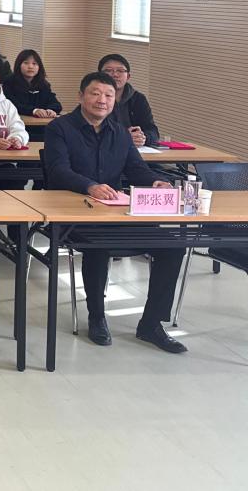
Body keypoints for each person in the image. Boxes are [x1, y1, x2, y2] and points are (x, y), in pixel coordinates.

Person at [44, 72, 186, 353]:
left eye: (108, 95)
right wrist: (90, 186)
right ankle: (97, 316)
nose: (102, 100)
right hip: (73, 213)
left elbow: (136, 169)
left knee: (173, 244)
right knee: (99, 244)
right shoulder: (60, 128)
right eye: (95, 93)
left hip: (114, 211)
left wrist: (155, 181)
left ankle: (151, 324)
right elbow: (58, 170)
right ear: (81, 96)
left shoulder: (119, 132)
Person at [98, 54, 159, 147]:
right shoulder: (93, 99)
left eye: (120, 71)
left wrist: (142, 137)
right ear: (99, 75)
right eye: (109, 70)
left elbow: (153, 132)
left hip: (135, 151)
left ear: (128, 76)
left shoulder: (138, 99)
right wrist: (123, 137)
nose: (115, 75)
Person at [6, 49, 63, 119]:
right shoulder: (9, 82)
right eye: (26, 63)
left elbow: (56, 104)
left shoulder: (43, 84)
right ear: (19, 65)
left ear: (39, 67)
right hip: (18, 122)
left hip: (40, 123)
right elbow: (12, 105)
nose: (30, 66)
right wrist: (34, 111)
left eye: (34, 63)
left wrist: (51, 110)